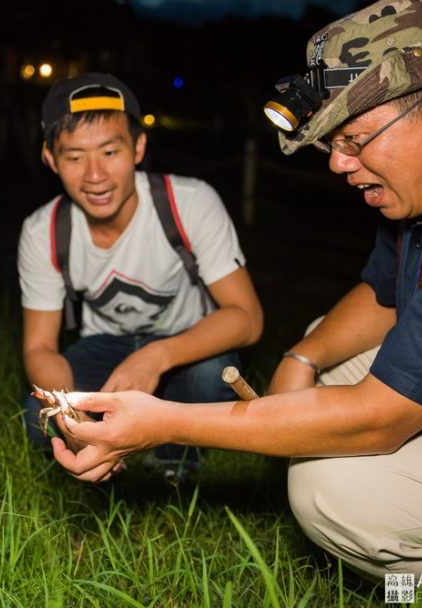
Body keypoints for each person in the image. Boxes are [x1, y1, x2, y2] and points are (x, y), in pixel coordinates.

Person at [49, 0, 422, 589]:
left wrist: (164, 424)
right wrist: (303, 357)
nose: (341, 165)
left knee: (330, 490)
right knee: (327, 342)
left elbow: (380, 420)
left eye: (354, 138)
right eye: (333, 145)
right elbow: (384, 294)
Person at [17, 72, 263, 478]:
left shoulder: (190, 202)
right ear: (50, 159)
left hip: (185, 344)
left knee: (208, 373)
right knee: (36, 416)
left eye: (109, 152)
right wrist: (69, 415)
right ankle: (115, 455)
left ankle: (174, 465)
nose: (95, 175)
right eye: (74, 157)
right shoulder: (42, 230)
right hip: (102, 347)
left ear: (138, 147)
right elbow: (40, 347)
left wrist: (154, 357)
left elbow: (247, 317)